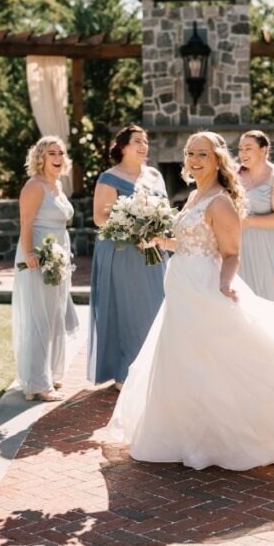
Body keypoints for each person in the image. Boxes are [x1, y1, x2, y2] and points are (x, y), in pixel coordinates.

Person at [107, 132, 274, 470]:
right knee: (183, 358)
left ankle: (244, 430)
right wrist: (158, 239)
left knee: (223, 358)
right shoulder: (193, 197)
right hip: (181, 289)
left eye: (202, 153)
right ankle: (184, 430)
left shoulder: (220, 201)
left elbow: (231, 253)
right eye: (190, 153)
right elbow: (188, 244)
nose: (194, 159)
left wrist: (223, 282)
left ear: (217, 159)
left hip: (206, 288)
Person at [89, 125, 167, 389]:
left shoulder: (155, 175)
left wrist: (156, 229)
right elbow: (100, 218)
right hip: (122, 252)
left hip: (154, 250)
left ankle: (155, 367)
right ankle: (125, 370)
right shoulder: (109, 178)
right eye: (137, 141)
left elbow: (165, 211)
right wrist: (133, 229)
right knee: (127, 309)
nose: (144, 145)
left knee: (157, 307)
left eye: (145, 141)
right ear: (122, 146)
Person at [12, 136, 78, 402]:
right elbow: (26, 222)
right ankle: (37, 383)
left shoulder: (58, 185)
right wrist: (28, 253)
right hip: (38, 255)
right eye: (52, 153)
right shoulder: (35, 185)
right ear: (40, 157)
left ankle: (48, 373)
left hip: (59, 254)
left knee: (54, 315)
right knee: (39, 316)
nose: (58, 157)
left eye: (61, 152)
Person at [238, 131, 274, 302]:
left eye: (248, 148)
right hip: (242, 246)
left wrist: (249, 222)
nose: (243, 153)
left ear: (264, 149)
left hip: (272, 246)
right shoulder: (235, 175)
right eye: (240, 149)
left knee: (273, 298)